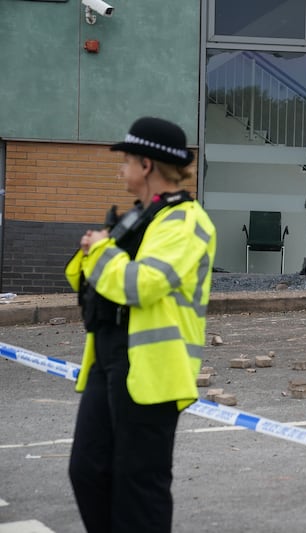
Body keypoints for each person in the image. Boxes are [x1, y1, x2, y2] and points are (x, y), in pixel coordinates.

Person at [65, 117, 217, 533]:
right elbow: (85, 280)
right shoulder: (139, 217)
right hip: (109, 359)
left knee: (138, 486)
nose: (121, 169)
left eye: (128, 159)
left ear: (147, 165)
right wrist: (89, 253)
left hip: (153, 371)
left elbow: (141, 285)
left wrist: (100, 255)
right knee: (88, 471)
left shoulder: (186, 222)